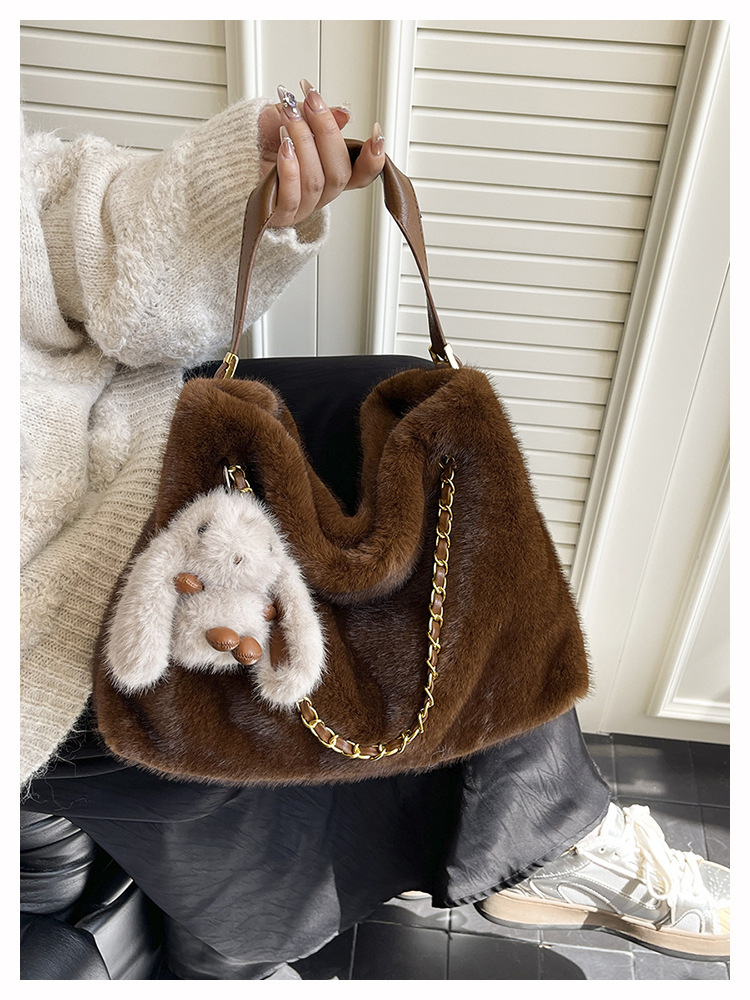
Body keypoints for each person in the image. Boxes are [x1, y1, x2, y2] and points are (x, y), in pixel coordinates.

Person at [20, 82, 729, 978]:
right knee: (198, 682)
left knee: (415, 424)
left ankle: (552, 838)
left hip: (99, 427)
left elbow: (48, 232)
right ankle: (236, 943)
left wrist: (219, 190)